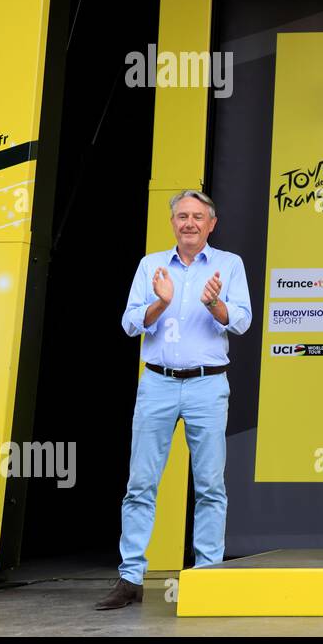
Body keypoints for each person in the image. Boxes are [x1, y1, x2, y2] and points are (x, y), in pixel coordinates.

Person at [98, 190, 252, 610]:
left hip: (207, 385)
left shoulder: (229, 265)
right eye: (182, 216)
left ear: (211, 223)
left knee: (209, 486)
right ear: (173, 223)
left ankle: (206, 577)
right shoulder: (151, 266)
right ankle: (130, 578)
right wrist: (159, 304)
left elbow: (240, 321)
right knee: (141, 484)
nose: (189, 223)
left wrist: (215, 304)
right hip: (158, 384)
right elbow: (130, 323)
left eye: (197, 217)